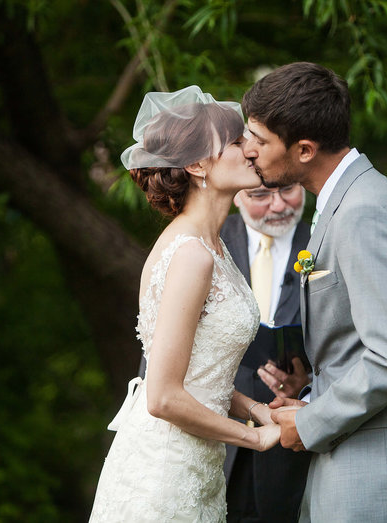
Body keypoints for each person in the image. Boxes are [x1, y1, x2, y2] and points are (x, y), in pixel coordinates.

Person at [242, 62, 387, 522]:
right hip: (360, 458)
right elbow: (360, 348)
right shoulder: (349, 200)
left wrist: (310, 422)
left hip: (377, 474)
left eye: (259, 140)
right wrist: (312, 394)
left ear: (303, 149)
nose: (248, 152)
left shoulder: (364, 213)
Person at [89, 85, 281, 523]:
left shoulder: (212, 246)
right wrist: (254, 437)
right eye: (235, 143)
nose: (250, 150)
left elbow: (200, 374)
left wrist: (255, 408)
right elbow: (163, 397)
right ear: (197, 166)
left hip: (198, 468)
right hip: (163, 475)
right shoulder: (191, 254)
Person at [221, 182, 313, 522]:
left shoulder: (324, 242)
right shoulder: (208, 240)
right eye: (260, 196)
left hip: (290, 445)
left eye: (287, 190)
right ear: (236, 194)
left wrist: (307, 384)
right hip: (219, 437)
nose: (277, 206)